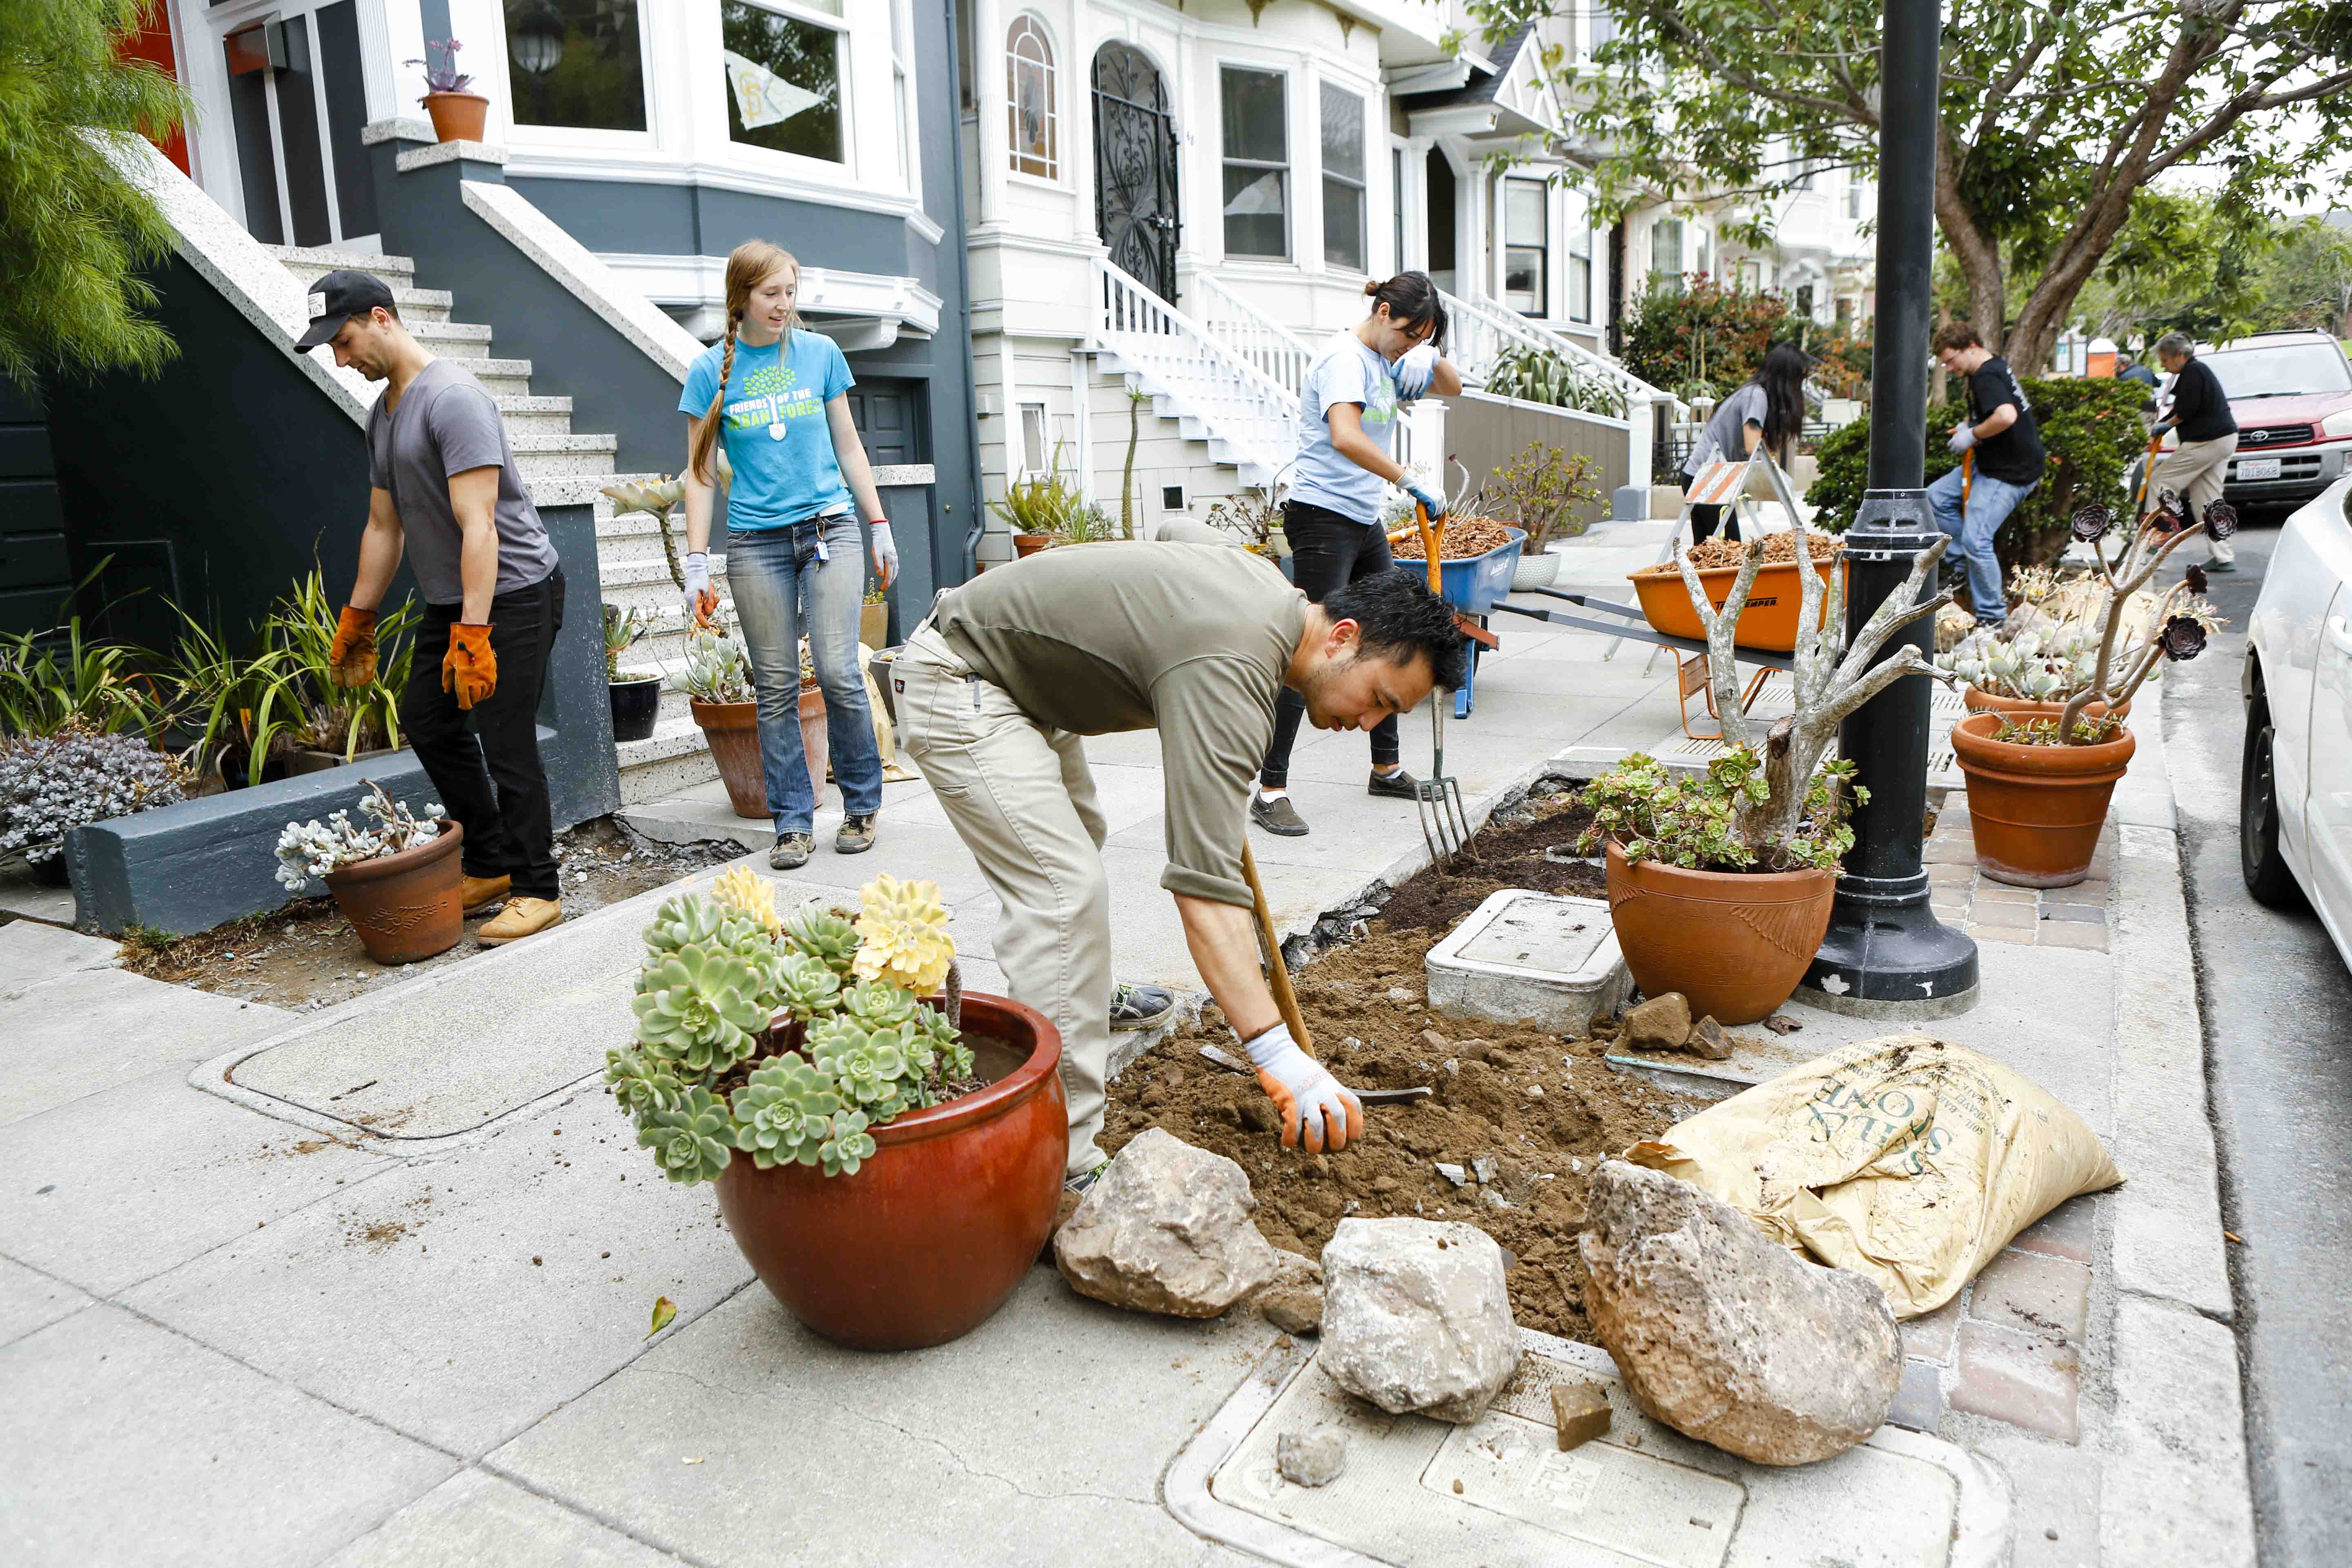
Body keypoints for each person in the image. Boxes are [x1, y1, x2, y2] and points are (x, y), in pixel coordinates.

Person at [895, 543, 1466, 1188]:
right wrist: (1276, 1053)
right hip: (962, 678)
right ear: (1342, 637)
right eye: (1380, 699)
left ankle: (1082, 994)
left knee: (1081, 834)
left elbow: (1179, 527)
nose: (1370, 724)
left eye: (1389, 716)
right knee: (1063, 894)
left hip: (1028, 685)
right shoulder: (1232, 669)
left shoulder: (1270, 596)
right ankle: (1060, 1160)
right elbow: (1205, 896)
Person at [305, 270, 566, 945]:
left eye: (344, 339)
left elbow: (481, 527)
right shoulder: (383, 413)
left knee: (505, 737)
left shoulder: (452, 400)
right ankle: (491, 861)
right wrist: (357, 620)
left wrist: (474, 634)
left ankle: (538, 887)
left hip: (512, 593)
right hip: (455, 600)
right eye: (330, 348)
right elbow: (384, 528)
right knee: (427, 716)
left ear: (382, 317)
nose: (340, 358)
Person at [680, 241, 893, 872]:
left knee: (836, 668)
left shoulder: (820, 354)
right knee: (774, 687)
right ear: (741, 296)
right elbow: (697, 475)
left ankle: (860, 805)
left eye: (790, 293)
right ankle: (793, 825)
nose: (783, 305)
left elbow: (850, 446)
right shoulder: (707, 371)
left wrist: (878, 522)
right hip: (756, 544)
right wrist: (696, 560)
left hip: (830, 529)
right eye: (771, 294)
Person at [1250, 272, 1463, 839]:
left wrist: (1432, 353)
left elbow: (1454, 388)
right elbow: (1345, 434)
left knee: (1390, 642)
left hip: (1361, 517)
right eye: (1407, 335)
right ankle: (1271, 790)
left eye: (1420, 339)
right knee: (1312, 647)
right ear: (1383, 311)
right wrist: (1407, 477)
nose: (1408, 348)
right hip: (1322, 517)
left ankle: (1386, 768)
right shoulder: (1345, 359)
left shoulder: (1387, 361)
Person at [1929, 322, 2047, 626]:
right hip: (1990, 463)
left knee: (1977, 540)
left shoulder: (1986, 375)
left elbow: (2006, 416)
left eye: (1951, 360)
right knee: (1934, 499)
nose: (1951, 368)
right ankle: (1961, 565)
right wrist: (1972, 430)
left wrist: (1973, 435)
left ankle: (1992, 619)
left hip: (2010, 472)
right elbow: (1996, 415)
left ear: (1970, 346)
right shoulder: (1991, 367)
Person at [1681, 342, 1809, 542]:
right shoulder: (1756, 395)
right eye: (1798, 380)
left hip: (1703, 474)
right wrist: (1775, 476)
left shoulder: (1753, 393)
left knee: (1708, 551)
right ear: (1786, 377)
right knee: (1728, 550)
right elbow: (1753, 447)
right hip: (1709, 476)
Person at [2143, 331, 2239, 572]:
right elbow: (2180, 409)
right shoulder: (2194, 372)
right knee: (2207, 500)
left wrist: (2165, 425)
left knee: (2160, 481)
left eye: (2165, 360)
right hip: (2223, 438)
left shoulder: (2193, 372)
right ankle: (2224, 557)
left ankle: (2157, 537)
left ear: (2179, 355)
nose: (2163, 365)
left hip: (2208, 441)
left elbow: (2186, 410)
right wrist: (2162, 425)